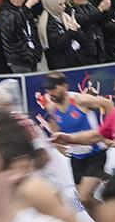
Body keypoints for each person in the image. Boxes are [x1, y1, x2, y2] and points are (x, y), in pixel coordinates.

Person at [43, 72, 110, 207]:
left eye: (54, 88)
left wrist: (110, 133)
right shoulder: (51, 107)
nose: (51, 92)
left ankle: (112, 217)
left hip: (95, 154)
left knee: (84, 197)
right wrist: (59, 146)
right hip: (76, 158)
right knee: (84, 201)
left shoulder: (80, 100)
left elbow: (107, 103)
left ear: (65, 86)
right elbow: (55, 129)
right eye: (49, 89)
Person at [0, 0, 43, 73]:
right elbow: (12, 29)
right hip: (18, 60)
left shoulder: (27, 12)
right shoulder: (5, 13)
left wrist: (37, 51)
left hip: (32, 57)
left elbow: (34, 34)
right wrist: (27, 6)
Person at [41, 0, 89, 70]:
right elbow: (59, 44)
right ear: (52, 5)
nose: (64, 6)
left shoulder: (66, 17)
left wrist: (77, 29)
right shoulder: (47, 23)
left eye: (64, 3)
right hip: (61, 66)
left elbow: (83, 39)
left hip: (76, 61)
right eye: (60, 4)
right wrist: (71, 31)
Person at [66, 0, 109, 65]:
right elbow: (84, 21)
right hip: (85, 50)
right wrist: (100, 9)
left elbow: (100, 20)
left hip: (98, 46)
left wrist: (106, 10)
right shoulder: (69, 10)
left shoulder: (88, 5)